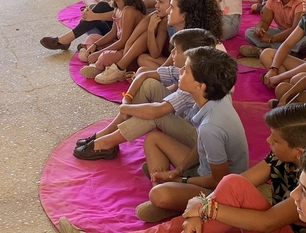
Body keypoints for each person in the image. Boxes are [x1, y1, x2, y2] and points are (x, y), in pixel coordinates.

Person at [58, 105, 306, 233]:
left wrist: (205, 209)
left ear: (299, 151)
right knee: (183, 228)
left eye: (276, 139)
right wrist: (197, 210)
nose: (268, 140)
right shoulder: (281, 158)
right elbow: (240, 185)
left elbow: (268, 221)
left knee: (227, 191)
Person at [73, 28, 218, 160]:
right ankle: (108, 133)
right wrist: (128, 100)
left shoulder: (193, 82)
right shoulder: (184, 70)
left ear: (190, 56)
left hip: (197, 141)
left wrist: (125, 108)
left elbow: (156, 111)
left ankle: (107, 142)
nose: (172, 53)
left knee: (154, 115)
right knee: (149, 84)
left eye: (176, 51)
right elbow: (144, 74)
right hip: (185, 118)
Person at [141, 47, 248, 216]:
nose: (181, 71)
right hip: (204, 169)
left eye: (186, 70)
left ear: (199, 86)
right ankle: (171, 190)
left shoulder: (211, 127)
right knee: (153, 139)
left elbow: (218, 180)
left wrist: (179, 179)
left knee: (158, 195)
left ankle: (173, 199)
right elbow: (201, 145)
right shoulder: (216, 98)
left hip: (220, 189)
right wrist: (179, 169)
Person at [92, 0, 174, 85]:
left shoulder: (130, 11)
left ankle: (120, 67)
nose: (156, 5)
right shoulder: (157, 17)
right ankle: (121, 66)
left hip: (176, 65)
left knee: (112, 56)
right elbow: (133, 38)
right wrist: (126, 56)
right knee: (142, 59)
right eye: (156, 1)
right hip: (160, 60)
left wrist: (150, 30)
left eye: (161, 2)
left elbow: (156, 54)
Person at [77, 0, 146, 81]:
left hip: (129, 52)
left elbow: (123, 41)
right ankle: (95, 57)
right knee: (93, 37)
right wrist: (96, 44)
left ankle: (98, 66)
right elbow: (112, 33)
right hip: (118, 43)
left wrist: (99, 53)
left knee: (106, 56)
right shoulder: (117, 8)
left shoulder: (129, 11)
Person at [240, 0, 304, 57]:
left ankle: (262, 51)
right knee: (249, 33)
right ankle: (286, 52)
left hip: (297, 34)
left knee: (304, 42)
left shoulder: (301, 3)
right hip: (280, 31)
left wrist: (271, 39)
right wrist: (260, 29)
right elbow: (265, 20)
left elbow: (295, 29)